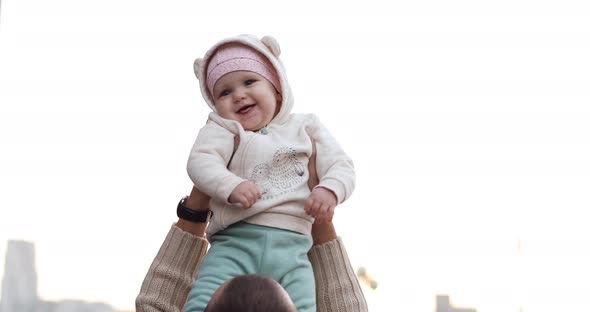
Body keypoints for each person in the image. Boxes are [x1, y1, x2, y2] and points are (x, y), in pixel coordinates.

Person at [185, 34, 355, 312]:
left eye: (249, 82)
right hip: (234, 242)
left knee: (303, 305)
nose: (238, 94)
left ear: (277, 88)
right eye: (224, 92)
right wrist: (229, 184)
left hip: (294, 248)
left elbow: (341, 165)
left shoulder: (305, 127)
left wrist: (329, 190)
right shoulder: (223, 129)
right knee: (202, 301)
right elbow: (200, 162)